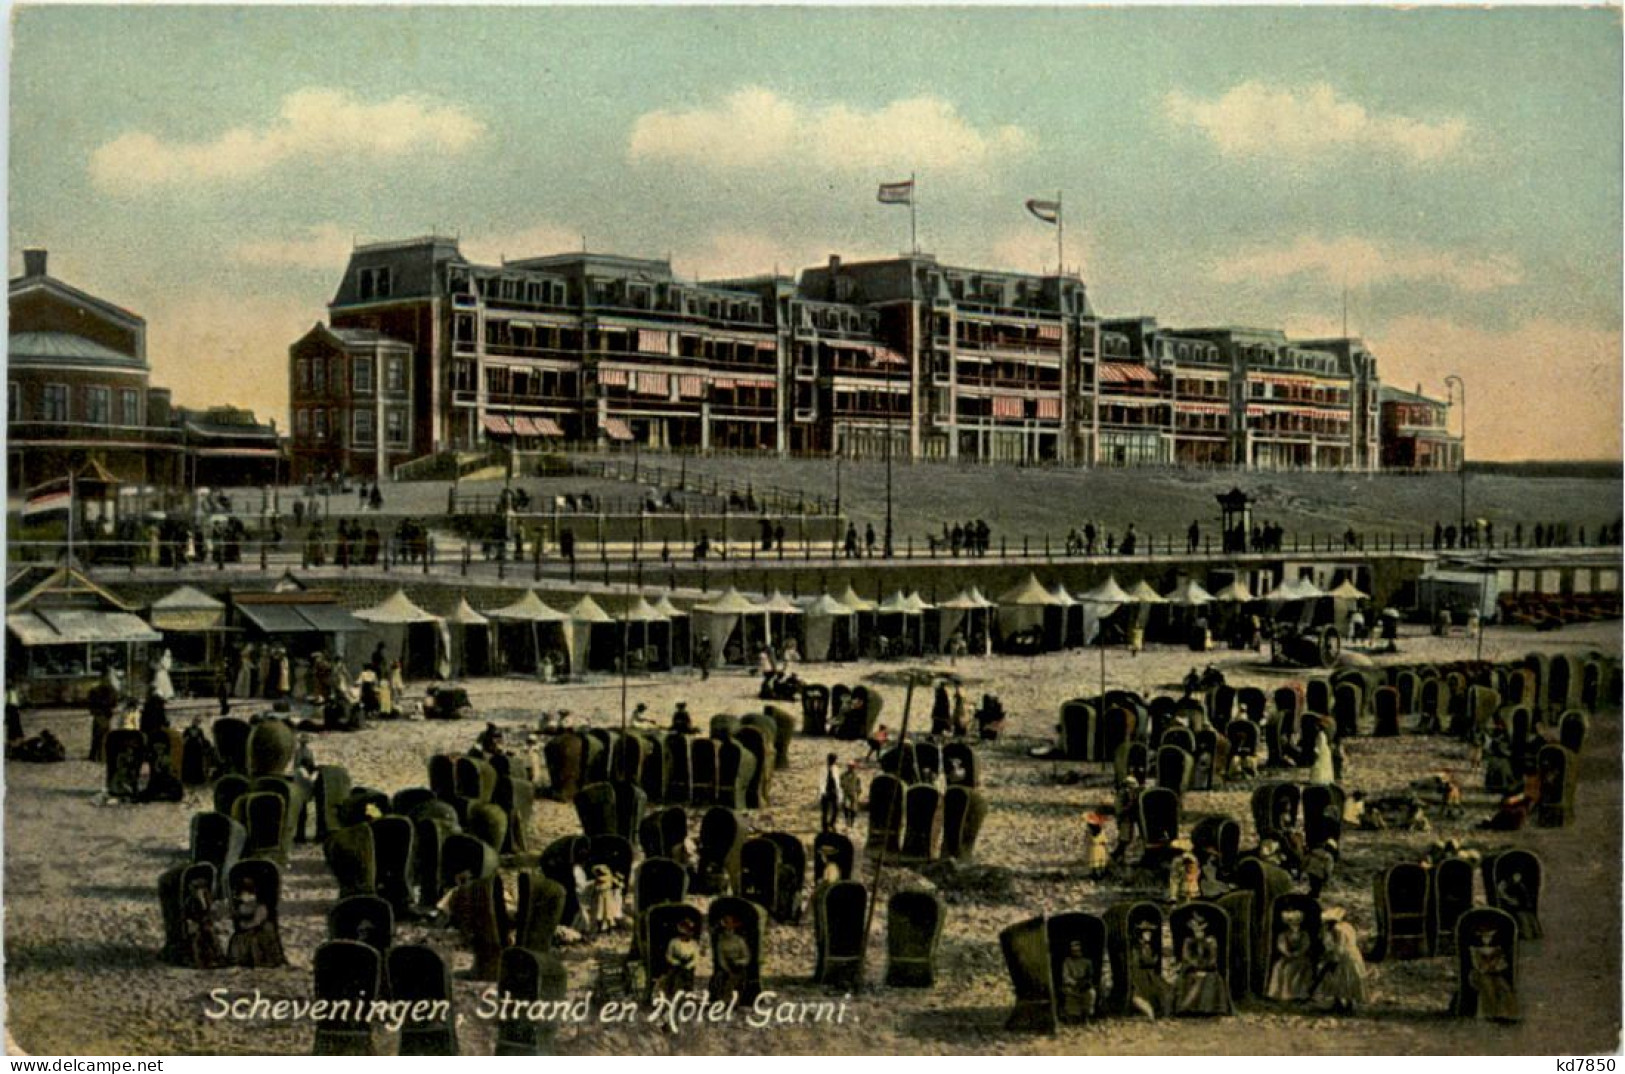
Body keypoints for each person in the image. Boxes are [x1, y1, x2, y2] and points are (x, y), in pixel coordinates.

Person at [1172, 913, 1232, 1015]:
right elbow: (1186, 957)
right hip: (1191, 969)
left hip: (1208, 969)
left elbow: (1212, 958)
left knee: (1211, 979)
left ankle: (1207, 1008)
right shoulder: (1188, 941)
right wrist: (1195, 966)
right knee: (1187, 979)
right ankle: (1185, 1008)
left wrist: (1204, 968)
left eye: (1200, 930)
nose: (1198, 933)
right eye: (1195, 930)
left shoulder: (1210, 942)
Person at [226, 875, 286, 968]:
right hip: (245, 932)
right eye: (242, 895)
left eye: (248, 894)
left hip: (259, 931)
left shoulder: (260, 907)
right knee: (237, 940)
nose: (245, 897)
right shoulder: (242, 907)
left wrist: (246, 925)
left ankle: (261, 960)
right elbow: (237, 916)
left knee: (255, 941)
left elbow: (257, 920)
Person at [1317, 907, 1366, 1013]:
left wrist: (1334, 958)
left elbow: (1340, 945)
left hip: (1345, 955)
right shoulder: (1348, 926)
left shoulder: (1337, 929)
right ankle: (1346, 1003)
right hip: (1354, 953)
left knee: (1341, 978)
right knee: (1350, 978)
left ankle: (1342, 1003)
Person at [1468, 924, 1519, 1022]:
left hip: (1495, 974)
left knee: (1505, 987)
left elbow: (1502, 964)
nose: (1487, 939)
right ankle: (1490, 1013)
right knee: (1488, 987)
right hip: (1479, 974)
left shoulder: (1497, 949)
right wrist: (1487, 966)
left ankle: (1508, 1014)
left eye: (1489, 936)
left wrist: (1495, 964)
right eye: (1484, 936)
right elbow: (1478, 965)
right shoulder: (1475, 949)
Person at [1266, 908, 1315, 1002]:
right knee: (1278, 966)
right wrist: (1287, 953)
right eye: (1290, 922)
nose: (1293, 925)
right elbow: (1281, 945)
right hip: (1287, 956)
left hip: (1300, 957)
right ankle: (1277, 993)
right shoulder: (1284, 934)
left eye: (1295, 922)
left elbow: (1305, 945)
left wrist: (1297, 953)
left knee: (1291, 969)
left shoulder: (1304, 934)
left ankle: (1295, 994)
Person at [1127, 920, 1168, 1019]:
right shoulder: (1137, 947)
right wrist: (1152, 961)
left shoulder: (1148, 946)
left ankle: (1160, 1011)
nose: (1149, 935)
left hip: (1150, 973)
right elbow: (1137, 962)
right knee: (1142, 992)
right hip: (1140, 974)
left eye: (1150, 933)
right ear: (1142, 934)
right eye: (1146, 933)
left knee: (1162, 989)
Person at [711, 913, 753, 1000]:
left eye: (730, 929)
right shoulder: (721, 942)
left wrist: (739, 962)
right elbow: (720, 957)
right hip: (726, 968)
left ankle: (733, 998)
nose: (728, 931)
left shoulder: (739, 941)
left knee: (737, 978)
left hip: (738, 968)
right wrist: (726, 969)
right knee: (722, 978)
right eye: (726, 929)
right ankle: (723, 998)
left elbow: (746, 956)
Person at [657, 917, 701, 999]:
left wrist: (689, 965)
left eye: (688, 931)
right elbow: (669, 955)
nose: (686, 934)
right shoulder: (674, 942)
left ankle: (689, 995)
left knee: (690, 979)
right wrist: (676, 962)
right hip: (675, 965)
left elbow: (697, 957)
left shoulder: (694, 944)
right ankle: (669, 995)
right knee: (670, 978)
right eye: (684, 932)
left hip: (688, 967)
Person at [1059, 940, 1098, 1022]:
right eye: (1074, 950)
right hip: (1072, 985)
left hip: (1084, 986)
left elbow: (1090, 976)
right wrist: (1075, 983)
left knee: (1091, 993)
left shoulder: (1087, 962)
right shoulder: (1067, 962)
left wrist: (1085, 983)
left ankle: (1087, 1016)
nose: (1076, 952)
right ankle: (1074, 1017)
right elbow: (1065, 977)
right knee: (1069, 994)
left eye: (1078, 950)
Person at [820, 752, 842, 833]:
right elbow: (822, 781)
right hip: (826, 790)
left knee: (836, 809)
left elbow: (837, 781)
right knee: (825, 810)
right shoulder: (824, 769)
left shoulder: (835, 768)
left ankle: (832, 823)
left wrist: (839, 792)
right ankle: (824, 826)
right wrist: (823, 792)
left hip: (834, 790)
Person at [839, 761, 862, 827]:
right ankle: (847, 820)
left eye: (852, 767)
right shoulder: (843, 775)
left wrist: (858, 791)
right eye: (850, 767)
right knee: (845, 807)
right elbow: (841, 783)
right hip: (846, 792)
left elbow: (858, 784)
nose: (851, 768)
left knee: (853, 809)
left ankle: (852, 821)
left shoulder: (856, 776)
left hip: (853, 792)